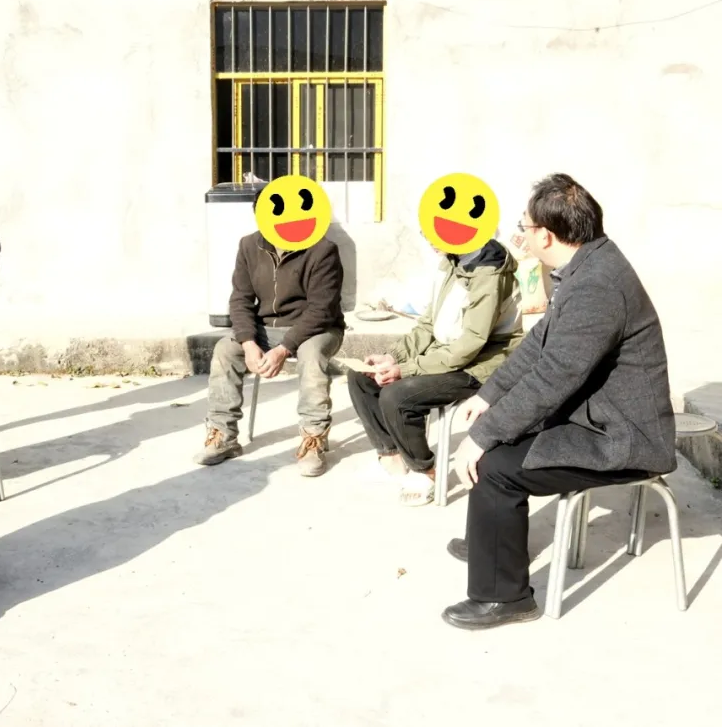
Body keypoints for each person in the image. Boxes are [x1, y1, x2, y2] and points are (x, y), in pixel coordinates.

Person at [442, 173, 676, 630]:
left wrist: (483, 435)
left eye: (524, 226)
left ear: (546, 235)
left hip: (623, 436)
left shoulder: (597, 286)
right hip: (596, 416)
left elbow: (555, 376)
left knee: (493, 464)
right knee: (498, 439)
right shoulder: (586, 266)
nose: (521, 234)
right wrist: (489, 396)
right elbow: (539, 347)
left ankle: (504, 598)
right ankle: (490, 541)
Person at [346, 239, 523, 506]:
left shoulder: (489, 274)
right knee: (362, 377)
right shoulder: (451, 262)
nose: (429, 238)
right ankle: (392, 457)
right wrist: (393, 357)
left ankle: (425, 471)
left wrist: (407, 369)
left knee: (398, 396)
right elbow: (428, 324)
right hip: (444, 355)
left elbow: (469, 345)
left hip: (480, 365)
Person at [194, 194, 346, 477]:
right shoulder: (249, 245)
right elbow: (240, 300)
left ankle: (313, 439)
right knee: (225, 349)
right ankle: (223, 435)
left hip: (318, 329)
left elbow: (321, 310)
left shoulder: (323, 249)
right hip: (266, 328)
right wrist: (248, 342)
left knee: (312, 355)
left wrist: (283, 349)